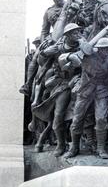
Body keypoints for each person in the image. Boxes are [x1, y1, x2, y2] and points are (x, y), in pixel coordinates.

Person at [36, 23, 83, 157]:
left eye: (78, 32)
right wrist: (43, 52)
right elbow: (42, 59)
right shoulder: (58, 47)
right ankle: (61, 144)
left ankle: (82, 145)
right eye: (74, 33)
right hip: (62, 83)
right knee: (58, 115)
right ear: (67, 35)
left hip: (80, 81)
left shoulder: (82, 45)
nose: (77, 34)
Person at [65, 38, 108, 159]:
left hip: (102, 90)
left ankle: (101, 148)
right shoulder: (88, 55)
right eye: (105, 48)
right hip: (86, 89)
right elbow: (63, 59)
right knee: (77, 119)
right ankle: (74, 147)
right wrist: (70, 56)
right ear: (99, 49)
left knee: (101, 119)